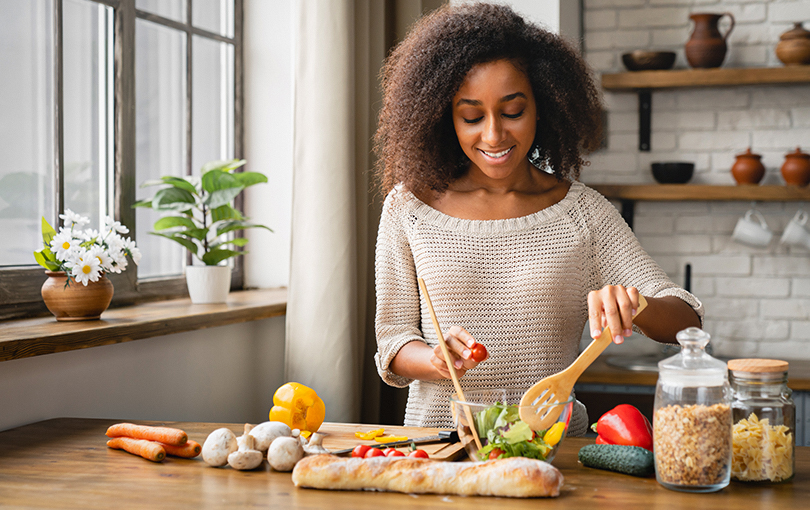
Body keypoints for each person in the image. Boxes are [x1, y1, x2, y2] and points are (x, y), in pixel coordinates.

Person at [372, 3, 702, 435]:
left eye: (512, 112)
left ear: (543, 104)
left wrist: (635, 303)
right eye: (471, 116)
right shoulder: (409, 207)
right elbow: (391, 344)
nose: (493, 136)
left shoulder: (582, 213)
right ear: (443, 116)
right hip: (441, 446)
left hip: (554, 448)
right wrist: (435, 359)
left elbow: (686, 320)